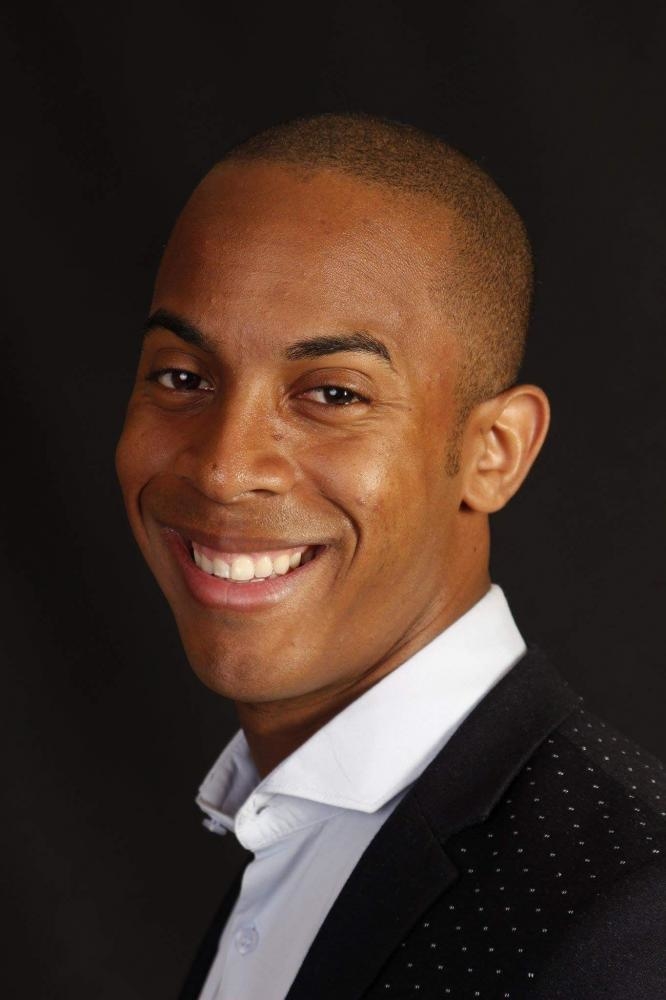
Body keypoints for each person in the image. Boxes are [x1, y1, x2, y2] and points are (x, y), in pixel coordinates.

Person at [115, 114, 666, 999]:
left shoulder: (634, 916)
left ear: (494, 452)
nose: (223, 467)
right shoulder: (295, 832)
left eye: (334, 394)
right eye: (182, 377)